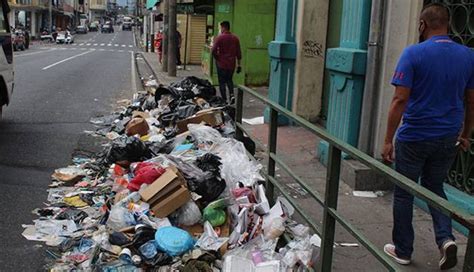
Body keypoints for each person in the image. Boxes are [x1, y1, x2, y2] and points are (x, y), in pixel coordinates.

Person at [382, 3, 474, 270]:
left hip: (414, 137)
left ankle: (403, 250)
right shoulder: (467, 56)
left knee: (404, 192)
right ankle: (445, 239)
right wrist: (465, 134)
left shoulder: (413, 53)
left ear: (422, 25)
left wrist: (388, 139)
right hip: (447, 137)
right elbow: (471, 101)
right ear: (448, 24)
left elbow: (399, 100)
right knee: (435, 187)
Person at [212, 21, 242, 104]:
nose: (220, 29)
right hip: (231, 64)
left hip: (221, 64)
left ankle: (224, 100)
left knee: (221, 82)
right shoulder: (235, 38)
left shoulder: (220, 38)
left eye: (221, 28)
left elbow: (213, 50)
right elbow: (238, 53)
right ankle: (232, 95)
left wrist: (217, 58)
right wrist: (239, 65)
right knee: (229, 80)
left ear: (224, 27)